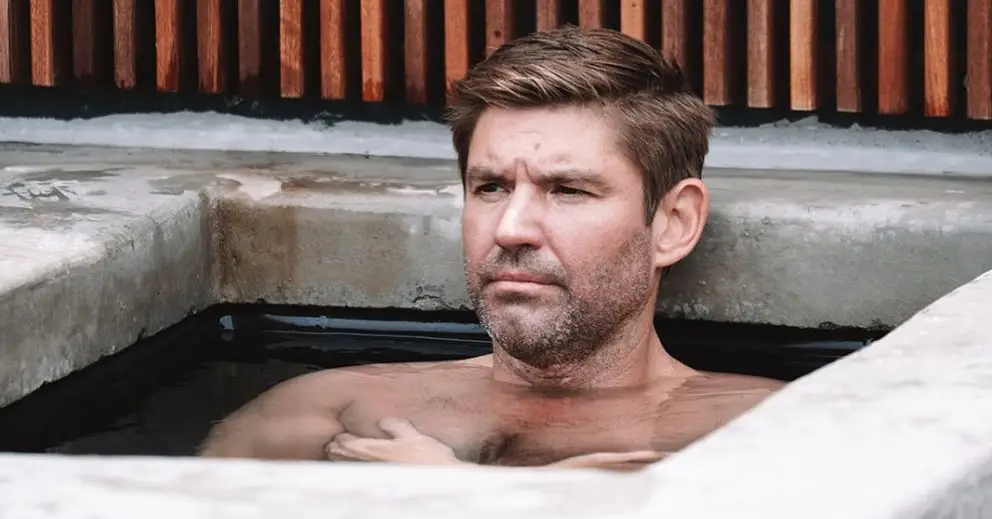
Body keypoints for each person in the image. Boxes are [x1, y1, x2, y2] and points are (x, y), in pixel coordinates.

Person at [198, 26, 785, 470]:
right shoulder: (329, 411)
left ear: (673, 223)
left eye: (568, 190)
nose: (510, 229)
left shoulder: (761, 427)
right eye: (490, 187)